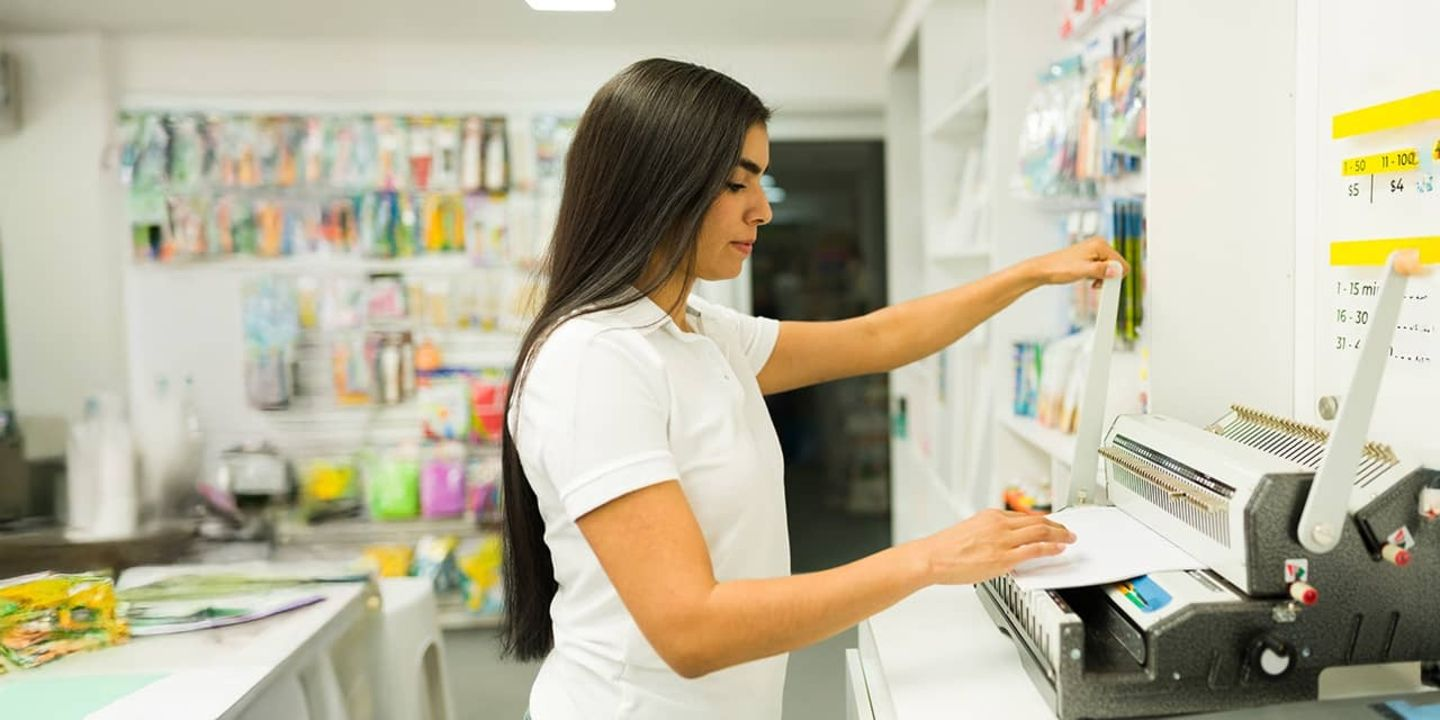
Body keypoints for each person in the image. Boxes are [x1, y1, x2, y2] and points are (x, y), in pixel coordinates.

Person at [501, 58, 1125, 720]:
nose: (763, 210)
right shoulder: (595, 362)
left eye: (761, 182)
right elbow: (691, 629)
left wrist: (1029, 273)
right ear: (656, 184)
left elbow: (879, 340)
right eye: (738, 184)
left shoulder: (697, 330)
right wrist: (930, 559)